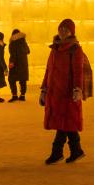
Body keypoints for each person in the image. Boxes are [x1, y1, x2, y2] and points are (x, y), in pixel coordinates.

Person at [40, 19, 86, 164]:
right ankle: (76, 150)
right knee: (66, 122)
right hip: (55, 93)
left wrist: (78, 89)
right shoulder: (54, 49)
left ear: (72, 32)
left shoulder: (75, 49)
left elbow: (78, 71)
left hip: (67, 93)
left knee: (64, 122)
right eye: (61, 29)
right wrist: (44, 89)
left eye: (66, 29)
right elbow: (48, 71)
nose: (63, 31)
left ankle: (57, 152)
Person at [7, 28, 30, 102]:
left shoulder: (13, 43)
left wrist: (11, 63)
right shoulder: (24, 42)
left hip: (16, 64)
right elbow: (28, 51)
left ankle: (14, 95)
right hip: (23, 64)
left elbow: (13, 54)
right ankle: (22, 96)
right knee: (22, 80)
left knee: (11, 79)